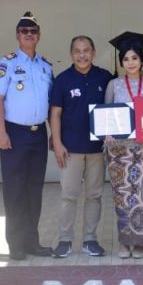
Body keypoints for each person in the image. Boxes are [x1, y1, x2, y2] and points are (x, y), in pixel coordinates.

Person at [0, 11, 54, 261]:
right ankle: (15, 244)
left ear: (39, 36)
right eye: (24, 31)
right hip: (14, 133)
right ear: (18, 35)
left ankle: (31, 242)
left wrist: (53, 133)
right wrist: (1, 132)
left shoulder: (45, 66)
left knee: (34, 190)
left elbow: (51, 104)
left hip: (38, 134)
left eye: (33, 31)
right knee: (15, 190)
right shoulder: (6, 63)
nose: (29, 35)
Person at [49, 35, 114, 258]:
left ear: (93, 53)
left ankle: (90, 239)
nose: (82, 55)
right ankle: (65, 240)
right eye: (77, 51)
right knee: (69, 196)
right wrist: (57, 143)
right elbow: (55, 114)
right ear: (71, 55)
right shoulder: (63, 80)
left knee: (94, 196)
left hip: (97, 149)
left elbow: (117, 104)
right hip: (70, 150)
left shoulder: (104, 77)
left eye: (86, 50)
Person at [104, 39, 143, 259]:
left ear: (142, 60)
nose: (130, 62)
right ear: (121, 63)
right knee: (123, 196)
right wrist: (106, 132)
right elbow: (106, 112)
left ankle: (140, 242)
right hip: (119, 150)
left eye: (135, 58)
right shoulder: (114, 85)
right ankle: (125, 241)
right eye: (126, 59)